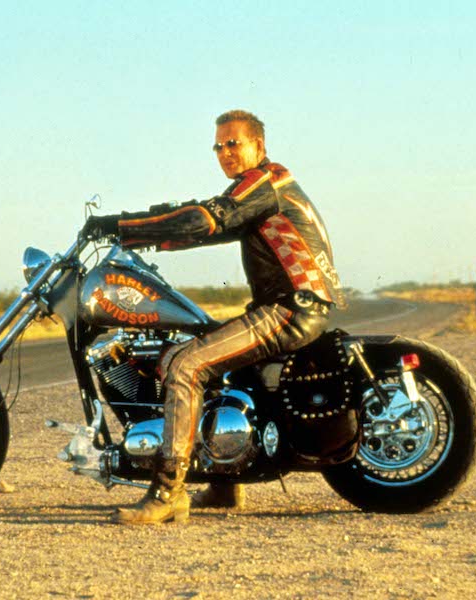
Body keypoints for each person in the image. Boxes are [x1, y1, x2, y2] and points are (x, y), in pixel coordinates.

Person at [82, 109, 346, 525]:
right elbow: (204, 227)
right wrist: (135, 236)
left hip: (291, 309)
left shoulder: (265, 182)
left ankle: (168, 492)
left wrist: (117, 224)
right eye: (218, 146)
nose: (225, 153)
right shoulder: (257, 190)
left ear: (258, 146)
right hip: (285, 306)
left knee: (185, 364)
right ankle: (224, 485)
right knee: (207, 354)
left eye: (233, 144)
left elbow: (205, 218)